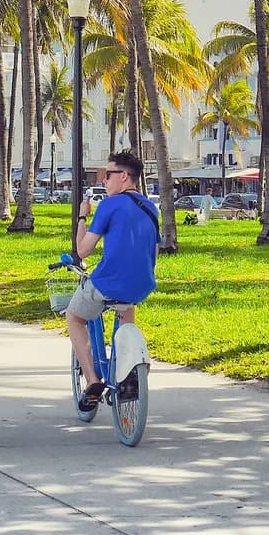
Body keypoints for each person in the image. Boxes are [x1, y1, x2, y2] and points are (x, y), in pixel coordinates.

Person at [68, 150, 159, 410]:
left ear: (125, 177)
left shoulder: (109, 205)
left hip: (108, 281)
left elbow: (83, 250)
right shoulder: (150, 207)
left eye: (108, 175)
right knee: (126, 306)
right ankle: (124, 366)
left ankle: (92, 381)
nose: (104, 180)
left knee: (75, 317)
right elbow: (153, 251)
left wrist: (83, 216)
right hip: (143, 283)